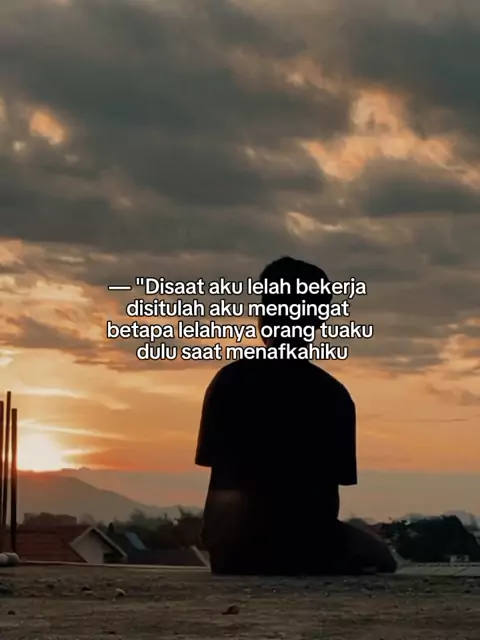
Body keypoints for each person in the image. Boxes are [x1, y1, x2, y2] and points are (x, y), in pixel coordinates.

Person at [195, 256, 396, 576]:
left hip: (233, 553)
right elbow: (326, 502)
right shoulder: (332, 395)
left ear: (264, 313)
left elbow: (219, 484)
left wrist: (224, 543)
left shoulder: (228, 381)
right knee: (382, 557)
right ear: (319, 319)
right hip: (304, 551)